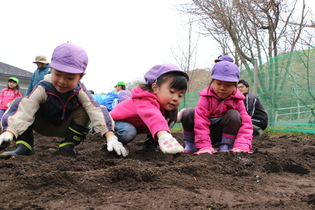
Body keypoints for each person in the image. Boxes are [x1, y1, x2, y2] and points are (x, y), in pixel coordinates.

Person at [0, 43, 127, 157]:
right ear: (51, 70)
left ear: (81, 77)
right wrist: (9, 132)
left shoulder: (80, 91)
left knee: (89, 107)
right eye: (58, 74)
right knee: (21, 103)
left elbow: (96, 110)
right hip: (41, 124)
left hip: (66, 128)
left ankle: (67, 146)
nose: (62, 81)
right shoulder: (43, 88)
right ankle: (25, 146)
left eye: (70, 78)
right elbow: (25, 109)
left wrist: (110, 136)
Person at [108, 64, 189, 154]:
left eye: (180, 95)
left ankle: (150, 147)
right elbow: (153, 116)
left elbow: (161, 119)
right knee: (129, 131)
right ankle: (111, 147)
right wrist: (164, 137)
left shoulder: (164, 105)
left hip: (137, 124)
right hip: (115, 123)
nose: (175, 98)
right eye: (172, 92)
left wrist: (181, 115)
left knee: (162, 122)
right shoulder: (144, 99)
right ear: (155, 87)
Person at [179, 61, 253, 154]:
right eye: (218, 83)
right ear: (212, 82)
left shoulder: (237, 100)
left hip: (222, 134)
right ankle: (190, 144)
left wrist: (242, 146)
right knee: (188, 112)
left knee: (234, 114)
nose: (222, 88)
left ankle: (226, 145)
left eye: (228, 85)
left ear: (235, 86)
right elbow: (200, 122)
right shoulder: (205, 98)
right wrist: (204, 146)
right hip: (204, 134)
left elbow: (246, 124)